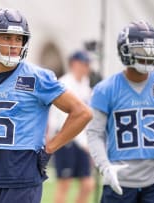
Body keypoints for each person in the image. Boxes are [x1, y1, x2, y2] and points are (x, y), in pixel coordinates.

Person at [0, 8, 92, 203]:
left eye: (18, 39)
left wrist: (50, 148)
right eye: (7, 38)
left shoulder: (38, 77)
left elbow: (82, 113)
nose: (14, 45)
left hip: (22, 177)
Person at [87, 20, 154, 203]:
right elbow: (94, 133)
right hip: (120, 177)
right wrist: (105, 166)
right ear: (125, 51)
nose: (148, 55)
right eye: (141, 50)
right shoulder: (106, 89)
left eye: (152, 50)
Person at [49, 50, 94, 203]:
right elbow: (65, 120)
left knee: (88, 184)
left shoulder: (86, 85)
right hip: (65, 139)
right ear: (74, 64)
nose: (87, 67)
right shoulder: (64, 84)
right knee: (64, 184)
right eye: (84, 64)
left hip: (81, 140)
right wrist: (83, 142)